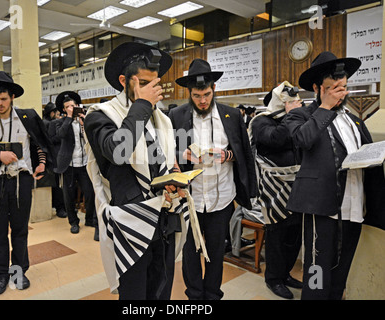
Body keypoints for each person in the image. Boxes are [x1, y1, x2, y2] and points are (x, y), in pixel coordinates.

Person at [84, 42, 191, 300]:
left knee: (161, 286)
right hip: (130, 219)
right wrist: (142, 105)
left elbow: (160, 160)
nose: (152, 92)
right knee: (134, 293)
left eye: (154, 84)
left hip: (163, 214)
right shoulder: (100, 115)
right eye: (143, 83)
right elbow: (118, 152)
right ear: (123, 81)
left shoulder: (161, 120)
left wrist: (172, 176)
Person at [285, 51, 385, 300]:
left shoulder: (354, 121)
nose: (340, 93)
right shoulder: (302, 115)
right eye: (332, 88)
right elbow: (302, 140)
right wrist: (326, 106)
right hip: (323, 209)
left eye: (343, 87)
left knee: (341, 272)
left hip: (354, 207)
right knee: (317, 272)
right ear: (318, 89)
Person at [169, 58, 257, 300]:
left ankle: (213, 295)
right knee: (190, 252)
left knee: (217, 252)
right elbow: (165, 151)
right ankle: (195, 295)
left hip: (222, 198)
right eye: (197, 96)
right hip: (190, 198)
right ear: (190, 93)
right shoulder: (176, 116)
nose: (202, 100)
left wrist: (226, 154)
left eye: (206, 94)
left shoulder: (231, 116)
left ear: (214, 89)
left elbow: (243, 153)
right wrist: (180, 154)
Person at [0, 71, 54, 295]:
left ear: (12, 96)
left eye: (3, 98)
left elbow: (40, 144)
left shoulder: (28, 117)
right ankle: (1, 275)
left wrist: (41, 163)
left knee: (20, 230)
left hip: (21, 181)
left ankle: (18, 271)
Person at [249, 81, 303, 299]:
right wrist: (291, 116)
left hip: (298, 187)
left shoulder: (294, 120)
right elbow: (277, 139)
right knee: (277, 236)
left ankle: (285, 274)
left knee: (294, 236)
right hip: (274, 190)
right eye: (291, 101)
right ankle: (273, 278)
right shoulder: (261, 121)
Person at [54, 91, 98, 236]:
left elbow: (93, 137)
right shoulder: (61, 122)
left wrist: (84, 122)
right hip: (69, 165)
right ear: (64, 109)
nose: (71, 108)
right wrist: (68, 118)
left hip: (85, 163)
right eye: (68, 107)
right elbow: (60, 135)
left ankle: (90, 219)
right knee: (69, 195)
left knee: (90, 193)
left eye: (73, 105)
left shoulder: (84, 120)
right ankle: (73, 222)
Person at [42, 102, 66, 218]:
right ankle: (60, 208)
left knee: (56, 184)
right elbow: (53, 139)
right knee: (58, 185)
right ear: (52, 113)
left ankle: (60, 206)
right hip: (54, 158)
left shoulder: (44, 122)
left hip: (49, 159)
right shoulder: (50, 124)